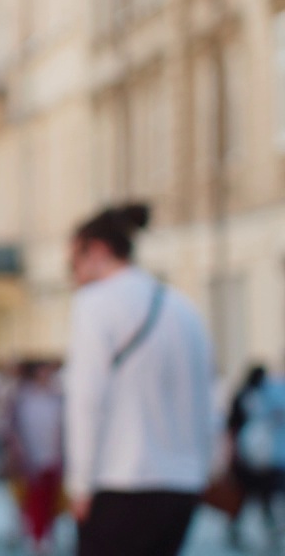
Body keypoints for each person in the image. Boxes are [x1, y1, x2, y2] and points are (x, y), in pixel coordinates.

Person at [64, 203, 216, 556]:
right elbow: (209, 401)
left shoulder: (95, 303)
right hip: (181, 486)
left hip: (121, 482)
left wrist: (80, 485)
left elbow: (85, 400)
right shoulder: (184, 308)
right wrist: (202, 469)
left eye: (73, 261)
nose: (72, 273)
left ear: (97, 250)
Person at [8, 360, 63, 555]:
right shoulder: (24, 398)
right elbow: (16, 429)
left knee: (50, 499)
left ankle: (45, 535)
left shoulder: (56, 398)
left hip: (53, 455)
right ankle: (36, 537)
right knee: (35, 497)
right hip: (32, 456)